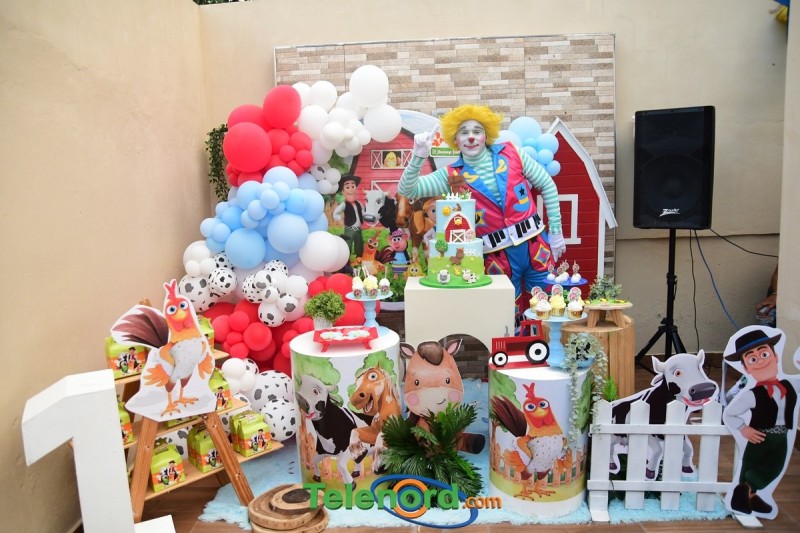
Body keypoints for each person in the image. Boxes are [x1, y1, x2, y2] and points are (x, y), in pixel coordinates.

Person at [398, 105, 565, 320]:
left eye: (477, 131)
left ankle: (551, 343)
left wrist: (556, 232)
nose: (471, 137)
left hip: (536, 247)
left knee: (551, 309)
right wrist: (418, 156)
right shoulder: (451, 176)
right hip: (496, 258)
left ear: (486, 134)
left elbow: (547, 185)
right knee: (506, 317)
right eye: (463, 132)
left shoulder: (513, 153)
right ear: (455, 139)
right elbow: (407, 190)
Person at [722, 327, 799, 516]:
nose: (761, 361)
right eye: (752, 359)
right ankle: (744, 496)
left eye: (764, 354)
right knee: (749, 464)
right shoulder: (751, 395)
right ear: (746, 368)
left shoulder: (789, 385)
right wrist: (744, 428)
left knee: (775, 467)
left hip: (782, 436)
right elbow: (729, 414)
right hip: (759, 436)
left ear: (775, 356)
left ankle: (747, 492)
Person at [332, 175, 364, 259]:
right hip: (349, 228)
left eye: (353, 186)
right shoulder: (344, 204)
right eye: (347, 187)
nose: (351, 190)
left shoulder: (359, 203)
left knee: (359, 243)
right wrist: (339, 219)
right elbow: (336, 213)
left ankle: (359, 258)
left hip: (358, 229)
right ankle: (346, 259)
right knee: (348, 243)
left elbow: (363, 211)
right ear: (343, 191)